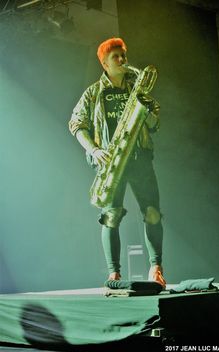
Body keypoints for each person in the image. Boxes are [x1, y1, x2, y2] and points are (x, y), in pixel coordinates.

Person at [68, 37, 166, 288]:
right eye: (116, 57)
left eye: (124, 55)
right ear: (104, 63)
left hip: (140, 157)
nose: (123, 60)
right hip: (112, 161)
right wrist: (94, 149)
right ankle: (114, 273)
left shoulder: (137, 88)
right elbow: (76, 125)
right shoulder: (93, 92)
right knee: (111, 216)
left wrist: (152, 114)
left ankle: (156, 267)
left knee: (153, 213)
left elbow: (154, 125)